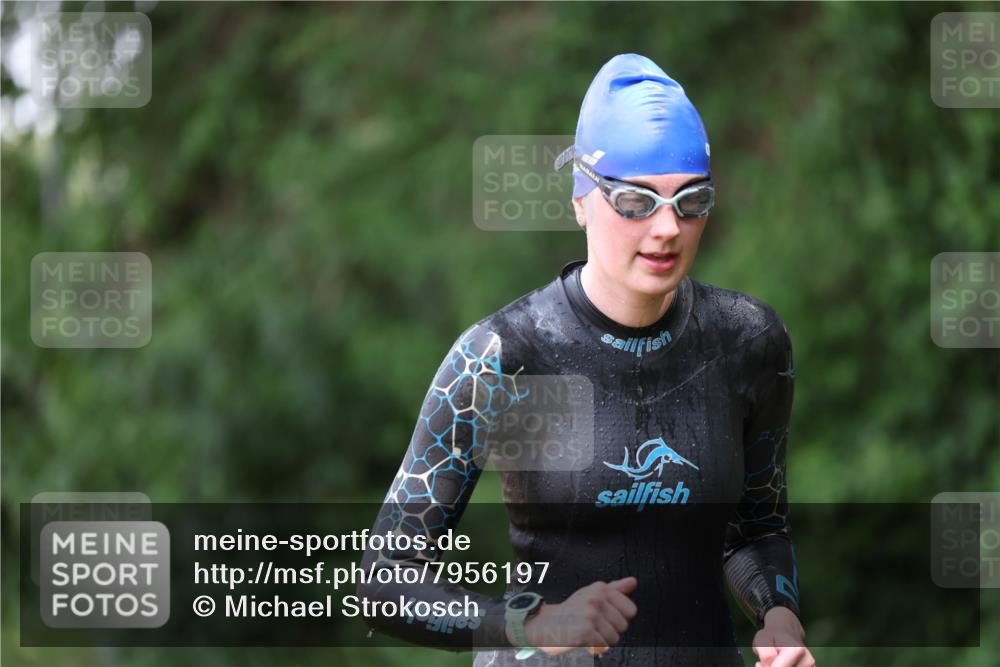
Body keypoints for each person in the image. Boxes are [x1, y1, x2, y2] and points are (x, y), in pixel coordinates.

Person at [358, 53, 816, 667]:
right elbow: (384, 583)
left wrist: (778, 618)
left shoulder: (747, 343)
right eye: (634, 202)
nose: (665, 229)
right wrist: (533, 624)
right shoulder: (505, 357)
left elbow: (756, 529)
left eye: (691, 201)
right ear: (581, 200)